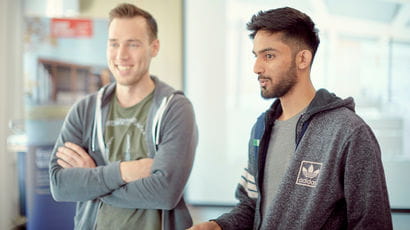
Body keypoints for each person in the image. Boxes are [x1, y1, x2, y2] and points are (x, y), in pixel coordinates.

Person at [189, 7, 392, 230]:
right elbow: (250, 206)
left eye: (269, 55)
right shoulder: (261, 128)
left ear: (303, 58)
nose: (257, 67)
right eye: (256, 56)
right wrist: (218, 226)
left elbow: (372, 224)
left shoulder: (349, 132)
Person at [49, 3, 198, 230]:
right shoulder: (84, 110)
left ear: (154, 47)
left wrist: (93, 180)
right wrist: (123, 172)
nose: (121, 55)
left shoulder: (175, 109)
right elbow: (60, 186)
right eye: (114, 44)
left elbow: (165, 193)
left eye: (133, 44)